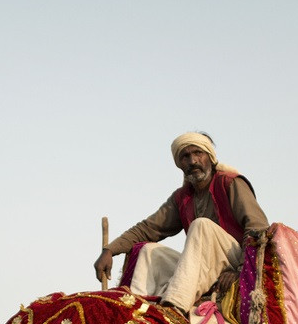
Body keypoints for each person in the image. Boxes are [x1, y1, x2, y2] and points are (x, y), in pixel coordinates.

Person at [94, 132, 268, 313]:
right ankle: (136, 312)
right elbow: (148, 228)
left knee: (201, 225)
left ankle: (175, 307)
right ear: (180, 164)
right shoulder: (181, 197)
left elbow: (258, 228)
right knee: (149, 251)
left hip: (235, 260)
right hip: (202, 268)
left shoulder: (230, 183)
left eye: (198, 153)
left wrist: (240, 271)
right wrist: (110, 250)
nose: (192, 161)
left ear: (210, 156)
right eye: (185, 156)